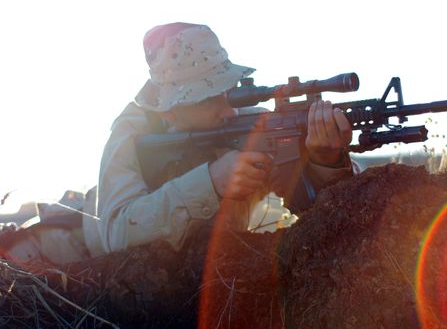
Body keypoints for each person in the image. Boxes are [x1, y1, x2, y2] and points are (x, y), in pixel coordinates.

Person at [2, 22, 360, 264]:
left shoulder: (252, 121)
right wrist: (211, 182)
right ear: (171, 111)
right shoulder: (134, 132)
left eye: (228, 92)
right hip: (71, 254)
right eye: (208, 98)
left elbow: (319, 212)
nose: (227, 109)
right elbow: (116, 235)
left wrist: (325, 161)